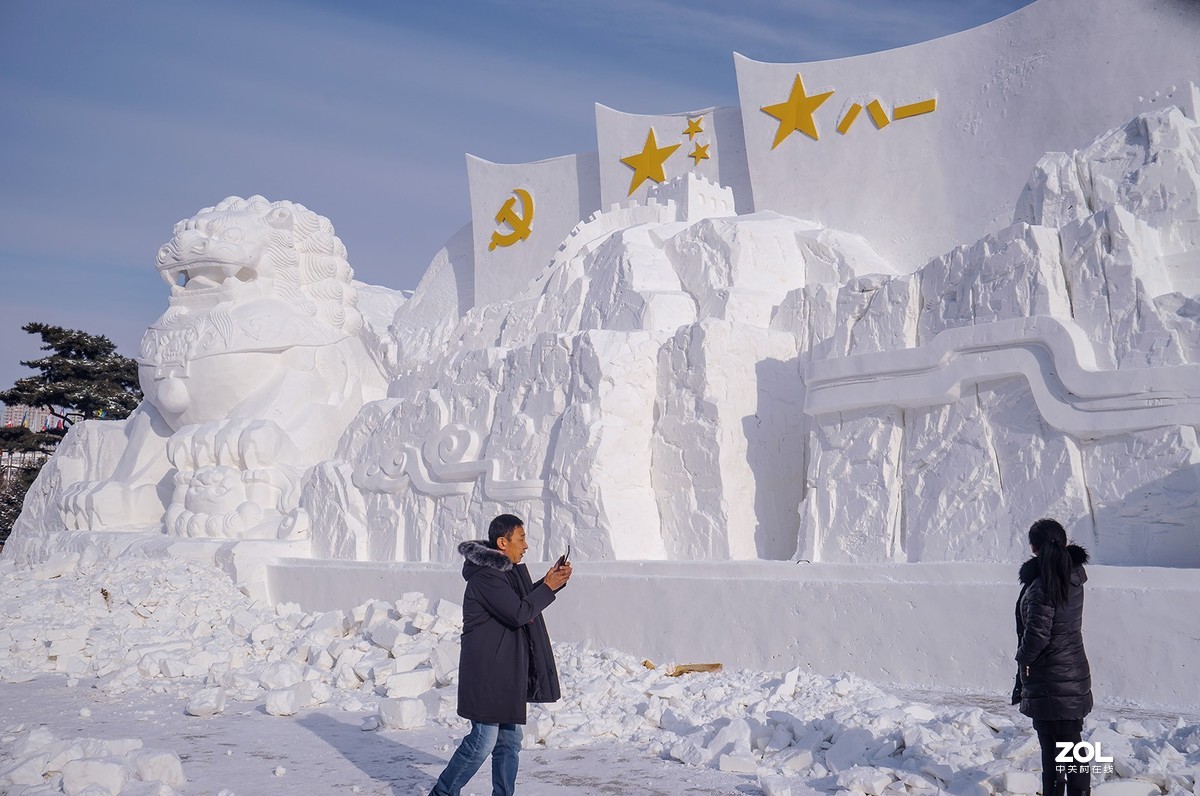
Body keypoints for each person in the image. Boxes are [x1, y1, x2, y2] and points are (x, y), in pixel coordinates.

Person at [430, 514, 572, 796]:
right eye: (521, 539)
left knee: (509, 742)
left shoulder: (504, 573)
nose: (527, 546)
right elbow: (519, 613)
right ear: (502, 542)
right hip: (488, 674)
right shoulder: (486, 577)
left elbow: (518, 603)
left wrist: (548, 581)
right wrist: (547, 588)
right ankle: (442, 793)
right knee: (482, 741)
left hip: (506, 672)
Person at [1013, 518, 1093, 796]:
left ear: (1033, 547)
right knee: (1072, 747)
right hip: (1073, 673)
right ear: (1065, 543)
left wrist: (1021, 658)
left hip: (1049, 679)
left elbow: (1037, 636)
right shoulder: (1073, 576)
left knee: (1054, 748)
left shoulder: (1042, 586)